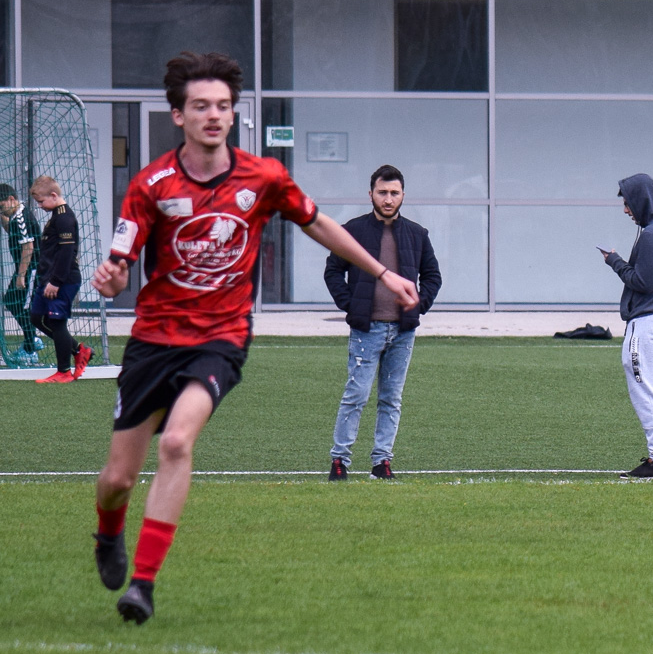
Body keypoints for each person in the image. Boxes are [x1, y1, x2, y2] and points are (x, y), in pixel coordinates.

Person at [90, 51, 418, 624]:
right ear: (178, 115)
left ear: (234, 113)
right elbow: (121, 261)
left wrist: (382, 273)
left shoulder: (262, 177)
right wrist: (113, 277)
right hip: (154, 338)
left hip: (220, 337)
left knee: (176, 443)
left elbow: (320, 225)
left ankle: (142, 584)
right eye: (200, 106)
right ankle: (109, 531)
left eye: (223, 105)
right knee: (118, 478)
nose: (213, 115)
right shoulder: (152, 184)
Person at [323, 164, 441, 481]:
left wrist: (418, 305)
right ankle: (340, 461)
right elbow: (333, 271)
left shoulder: (417, 234)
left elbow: (433, 277)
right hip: (367, 329)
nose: (388, 199)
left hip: (402, 331)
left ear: (403, 195)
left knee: (391, 399)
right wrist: (352, 305)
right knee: (356, 396)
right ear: (371, 194)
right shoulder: (353, 231)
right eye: (382, 192)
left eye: (394, 193)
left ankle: (382, 462)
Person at [599, 173, 653, 480]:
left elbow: (642, 282)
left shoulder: (652, 235)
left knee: (648, 392)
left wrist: (614, 261)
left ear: (641, 201)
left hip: (646, 323)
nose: (626, 210)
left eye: (628, 203)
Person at [29, 176, 93, 383]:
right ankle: (79, 350)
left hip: (62, 280)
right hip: (47, 279)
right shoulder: (56, 216)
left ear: (54, 195)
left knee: (57, 322)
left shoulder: (64, 218)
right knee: (36, 318)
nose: (40, 206)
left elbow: (66, 253)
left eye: (41, 201)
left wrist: (56, 281)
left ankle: (64, 372)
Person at [1, 184, 41, 366]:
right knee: (11, 301)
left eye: (1, 206)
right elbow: (12, 231)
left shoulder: (22, 218)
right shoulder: (16, 216)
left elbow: (28, 247)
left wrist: (21, 276)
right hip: (25, 269)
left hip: (32, 270)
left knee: (23, 306)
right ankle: (32, 340)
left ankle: (31, 348)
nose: (2, 210)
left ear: (11, 199)